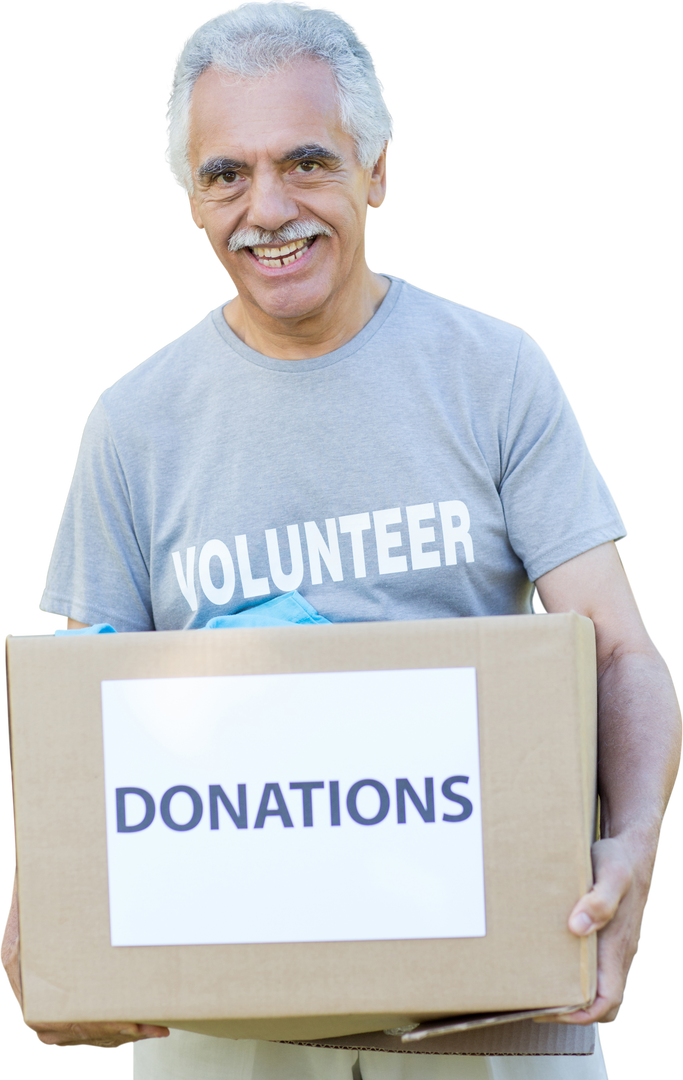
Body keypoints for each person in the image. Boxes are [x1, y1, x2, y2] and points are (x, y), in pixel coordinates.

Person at [1, 2, 680, 1077]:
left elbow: (614, 648)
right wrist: (47, 916)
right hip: (220, 1023)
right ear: (189, 200)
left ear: (377, 172)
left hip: (490, 998)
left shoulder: (492, 372)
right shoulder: (133, 422)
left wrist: (629, 853)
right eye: (225, 175)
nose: (266, 210)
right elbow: (83, 727)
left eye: (306, 162)